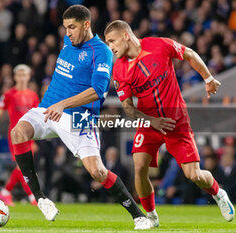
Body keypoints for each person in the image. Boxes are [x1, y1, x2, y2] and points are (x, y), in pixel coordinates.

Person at [10, 5, 152, 230]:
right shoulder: (69, 41)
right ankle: (41, 198)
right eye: (66, 28)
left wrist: (63, 103)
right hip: (48, 109)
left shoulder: (102, 51)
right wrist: (56, 102)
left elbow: (98, 90)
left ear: (86, 24)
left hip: (79, 117)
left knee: (98, 171)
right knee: (17, 132)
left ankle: (139, 216)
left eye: (72, 27)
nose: (68, 33)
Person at [104, 20, 235, 227]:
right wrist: (151, 121)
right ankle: (151, 216)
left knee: (194, 175)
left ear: (126, 36)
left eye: (112, 41)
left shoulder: (159, 45)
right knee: (139, 167)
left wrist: (208, 78)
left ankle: (218, 193)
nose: (110, 47)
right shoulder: (119, 70)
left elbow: (189, 54)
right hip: (149, 123)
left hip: (176, 121)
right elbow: (128, 108)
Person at [0, 64, 39, 206]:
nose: (21, 77)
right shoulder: (9, 95)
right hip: (15, 136)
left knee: (25, 166)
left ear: (29, 76)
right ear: (15, 77)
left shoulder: (33, 95)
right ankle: (32, 197)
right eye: (19, 74)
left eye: (24, 74)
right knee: (22, 166)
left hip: (30, 136)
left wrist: (37, 139)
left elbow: (37, 118)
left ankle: (5, 192)